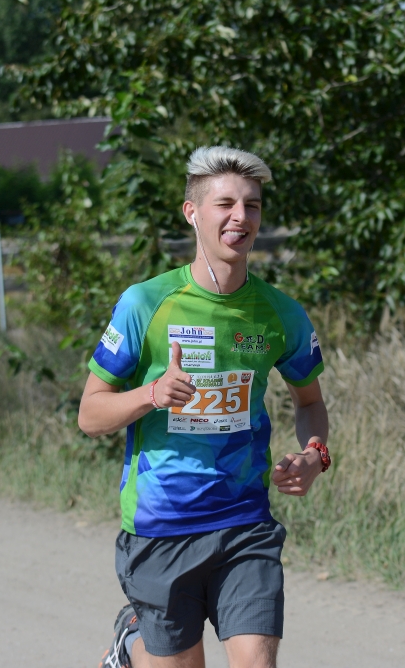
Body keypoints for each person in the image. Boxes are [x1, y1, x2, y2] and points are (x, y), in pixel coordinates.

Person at [78, 146, 331, 668]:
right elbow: (90, 415)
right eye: (225, 204)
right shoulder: (145, 304)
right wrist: (151, 394)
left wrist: (315, 453)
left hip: (244, 522)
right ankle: (131, 644)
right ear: (192, 212)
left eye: (252, 205)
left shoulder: (280, 313)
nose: (241, 217)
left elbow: (310, 401)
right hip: (162, 525)